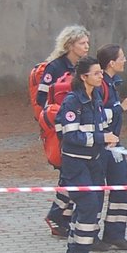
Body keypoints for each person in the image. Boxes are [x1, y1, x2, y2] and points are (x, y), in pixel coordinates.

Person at [56, 56, 116, 253]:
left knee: (90, 205)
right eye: (97, 73)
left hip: (95, 160)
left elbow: (97, 126)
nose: (101, 76)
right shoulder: (72, 101)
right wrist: (102, 139)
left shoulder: (96, 95)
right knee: (88, 203)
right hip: (76, 163)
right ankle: (80, 251)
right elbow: (71, 137)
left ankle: (74, 249)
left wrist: (107, 138)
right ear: (84, 77)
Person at [37, 25, 91, 237]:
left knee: (71, 175)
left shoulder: (86, 66)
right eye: (82, 43)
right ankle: (57, 216)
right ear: (70, 45)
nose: (86, 47)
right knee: (70, 173)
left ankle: (62, 217)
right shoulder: (55, 67)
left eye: (87, 43)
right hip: (61, 129)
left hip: (81, 127)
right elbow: (42, 99)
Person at [95, 44, 127, 251]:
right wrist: (120, 107)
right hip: (99, 146)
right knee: (95, 192)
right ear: (111, 63)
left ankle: (115, 233)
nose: (125, 60)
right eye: (122, 57)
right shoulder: (99, 84)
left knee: (121, 186)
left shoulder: (112, 83)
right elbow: (96, 116)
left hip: (114, 145)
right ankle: (90, 235)